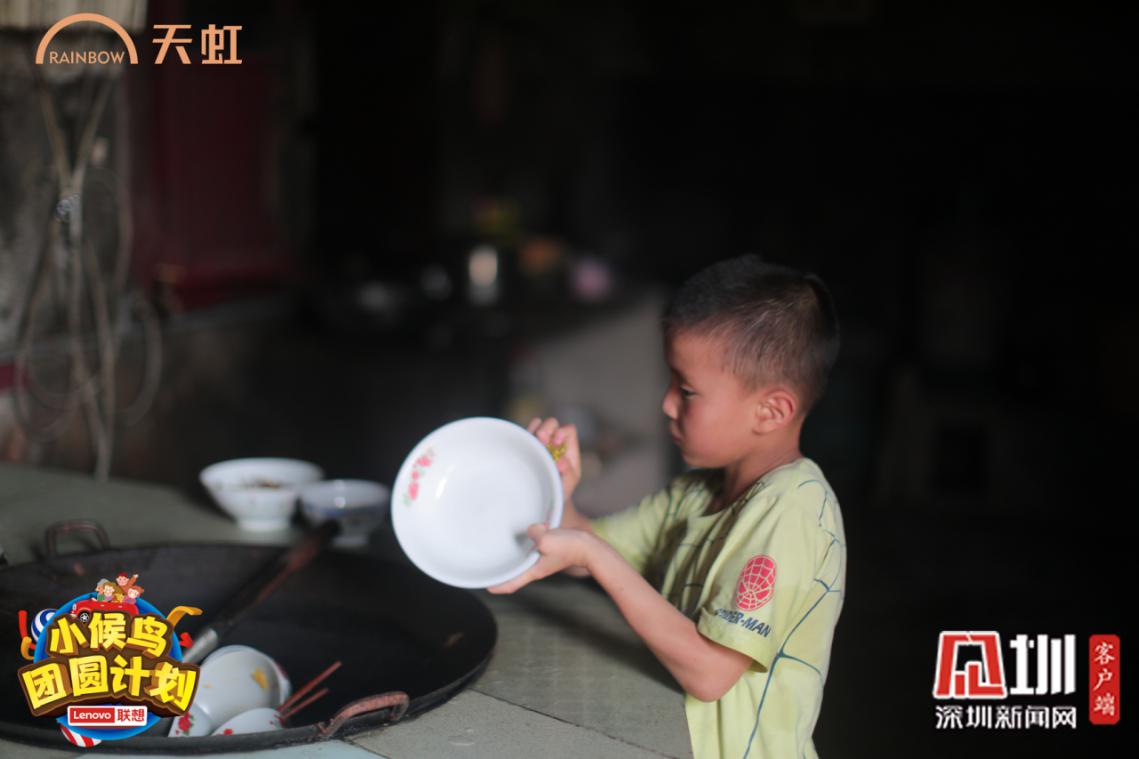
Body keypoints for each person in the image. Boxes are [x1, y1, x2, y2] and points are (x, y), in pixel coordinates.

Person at [488, 255, 846, 758]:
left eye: (688, 390)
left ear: (771, 411)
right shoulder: (695, 492)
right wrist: (557, 492)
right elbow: (587, 548)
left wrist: (595, 556)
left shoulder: (793, 511)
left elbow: (711, 673)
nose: (666, 403)